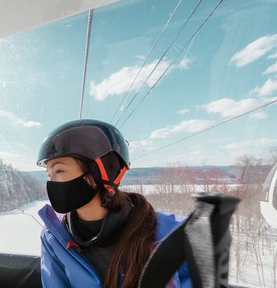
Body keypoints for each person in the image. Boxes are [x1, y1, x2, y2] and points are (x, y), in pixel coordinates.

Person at [36, 119, 191, 287]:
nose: (51, 182)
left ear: (99, 173)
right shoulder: (53, 237)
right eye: (48, 174)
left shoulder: (171, 234)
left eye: (59, 170)